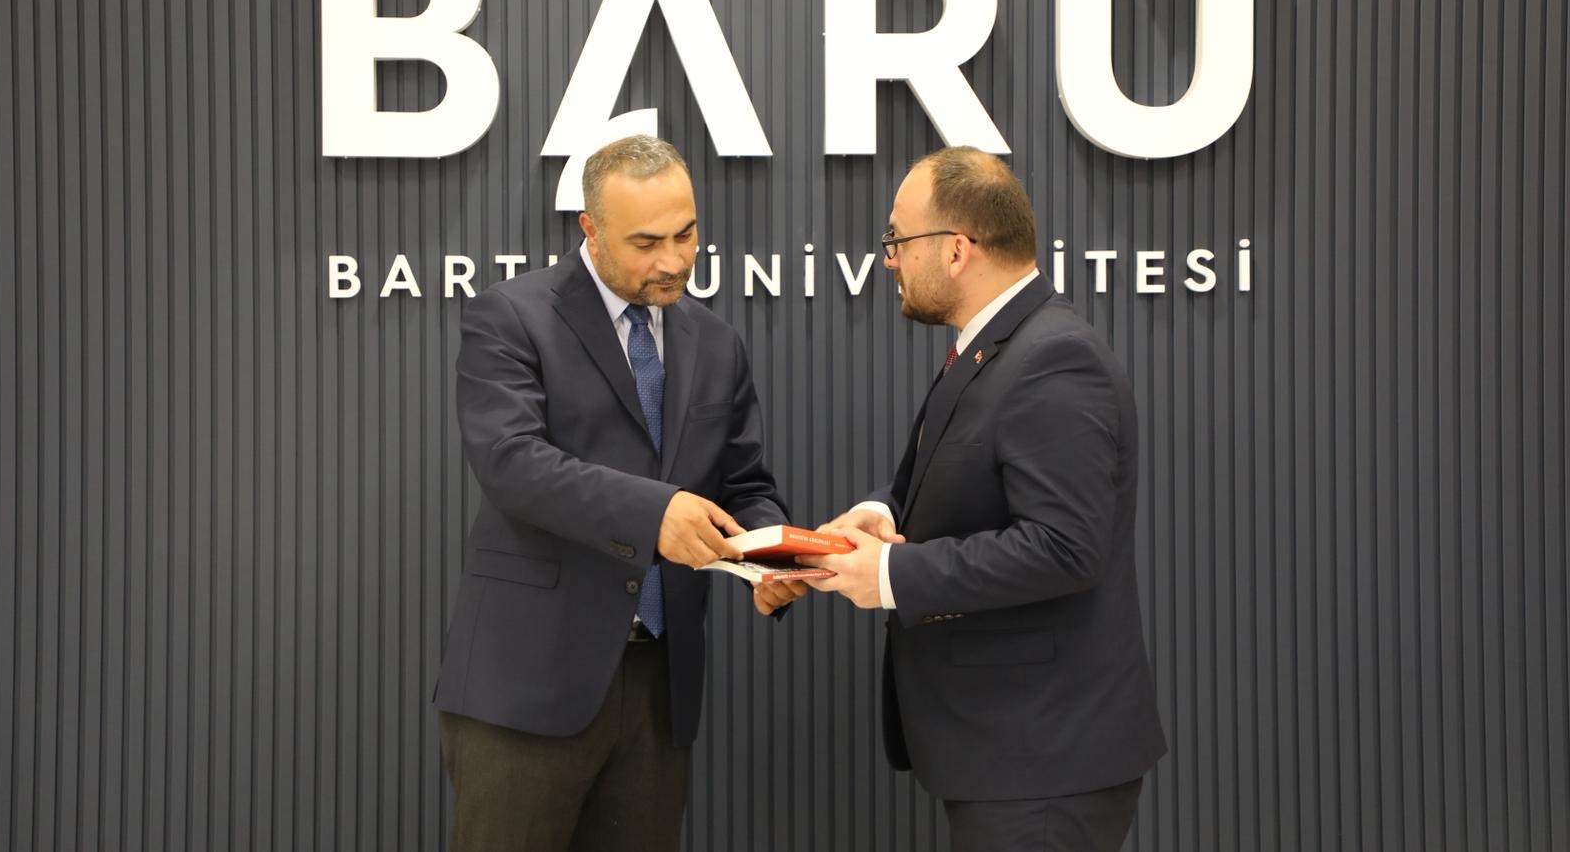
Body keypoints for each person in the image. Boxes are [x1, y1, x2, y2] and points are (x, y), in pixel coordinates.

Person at [762, 147, 1165, 851]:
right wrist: (882, 515)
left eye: (896, 238)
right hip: (1011, 750)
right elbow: (954, 479)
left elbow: (1066, 548)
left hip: (1044, 758)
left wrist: (890, 575)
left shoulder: (1052, 359)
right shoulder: (997, 348)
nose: (888, 258)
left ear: (956, 249)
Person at [435, 134, 790, 852]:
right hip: (527, 684)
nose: (674, 261)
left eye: (686, 234)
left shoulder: (716, 341)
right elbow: (511, 462)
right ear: (590, 230)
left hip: (659, 688)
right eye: (646, 243)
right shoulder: (511, 315)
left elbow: (744, 482)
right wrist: (655, 514)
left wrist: (774, 555)